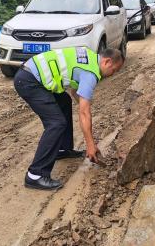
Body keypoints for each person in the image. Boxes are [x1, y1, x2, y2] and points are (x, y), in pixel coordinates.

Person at [14, 47, 124, 190]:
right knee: (56, 123)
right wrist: (91, 145)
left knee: (64, 101)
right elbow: (84, 113)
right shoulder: (91, 73)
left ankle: (62, 149)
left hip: (29, 73)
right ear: (107, 62)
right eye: (114, 70)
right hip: (29, 81)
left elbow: (74, 91)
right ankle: (35, 175)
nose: (112, 74)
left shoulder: (89, 57)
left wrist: (86, 105)